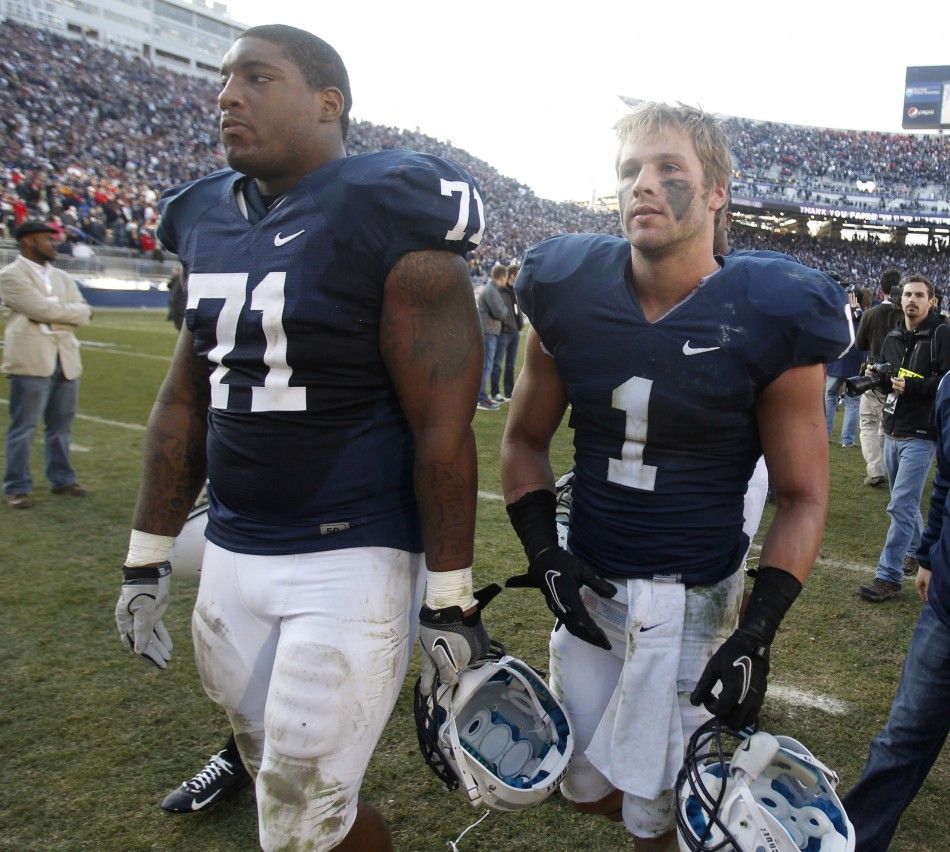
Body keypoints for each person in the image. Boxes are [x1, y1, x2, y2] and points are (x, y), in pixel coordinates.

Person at [113, 25, 494, 852]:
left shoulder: (386, 208)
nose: (226, 96)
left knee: (298, 816)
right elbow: (186, 396)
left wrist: (451, 597)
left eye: (256, 78)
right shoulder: (203, 214)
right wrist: (146, 554)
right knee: (277, 783)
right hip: (235, 546)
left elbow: (442, 428)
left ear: (329, 104)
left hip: (349, 551)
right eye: (223, 79)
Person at [499, 102, 852, 850]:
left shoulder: (770, 310)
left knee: (661, 814)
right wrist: (542, 552)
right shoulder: (565, 287)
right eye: (630, 171)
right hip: (590, 582)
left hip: (692, 598)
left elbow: (803, 496)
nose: (643, 186)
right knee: (585, 785)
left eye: (669, 171)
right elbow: (525, 442)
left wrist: (757, 629)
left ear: (718, 190)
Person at [842, 371, 950, 849]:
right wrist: (926, 555)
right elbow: (946, 481)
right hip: (946, 607)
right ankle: (857, 840)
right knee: (902, 737)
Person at [858, 274, 950, 602]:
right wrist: (878, 378)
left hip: (923, 433)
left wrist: (911, 387)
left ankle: (889, 576)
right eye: (907, 294)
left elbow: (945, 383)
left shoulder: (942, 333)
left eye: (918, 295)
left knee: (900, 504)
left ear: (932, 301)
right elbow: (891, 380)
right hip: (893, 428)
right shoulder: (894, 335)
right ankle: (917, 551)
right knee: (905, 503)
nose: (911, 300)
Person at [1, 220, 92, 508]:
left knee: (61, 426)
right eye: (48, 239)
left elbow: (85, 312)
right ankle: (17, 487)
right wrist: (66, 314)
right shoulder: (10, 275)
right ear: (28, 241)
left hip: (65, 358)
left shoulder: (63, 277)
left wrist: (56, 314)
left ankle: (62, 479)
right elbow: (38, 308)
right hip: (30, 359)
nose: (55, 244)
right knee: (24, 427)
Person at [855, 269, 903, 486]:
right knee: (886, 424)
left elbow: (860, 345)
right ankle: (883, 468)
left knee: (868, 422)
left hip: (874, 375)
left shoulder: (871, 314)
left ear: (880, 289)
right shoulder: (905, 313)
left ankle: (876, 469)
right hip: (900, 377)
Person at [476, 262, 508, 410]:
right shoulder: (491, 290)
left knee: (486, 365)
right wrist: (505, 311)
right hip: (489, 331)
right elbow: (500, 313)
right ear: (502, 277)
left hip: (489, 330)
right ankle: (481, 398)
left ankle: (482, 397)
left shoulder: (492, 289)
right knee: (486, 366)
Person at [490, 262, 522, 403]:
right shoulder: (499, 291)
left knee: (511, 364)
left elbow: (517, 311)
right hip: (503, 332)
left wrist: (519, 325)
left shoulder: (515, 291)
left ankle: (509, 392)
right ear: (513, 275)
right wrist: (504, 325)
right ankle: (495, 392)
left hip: (515, 332)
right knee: (497, 363)